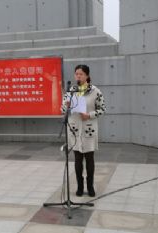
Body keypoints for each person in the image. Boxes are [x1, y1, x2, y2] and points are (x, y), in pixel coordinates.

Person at [61, 64, 106, 197]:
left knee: (89, 158)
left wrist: (89, 115)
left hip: (88, 129)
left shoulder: (95, 91)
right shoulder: (71, 91)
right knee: (77, 159)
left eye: (81, 74)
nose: (78, 76)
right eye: (76, 74)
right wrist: (66, 106)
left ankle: (90, 186)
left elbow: (102, 109)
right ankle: (80, 186)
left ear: (87, 75)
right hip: (74, 129)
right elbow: (62, 110)